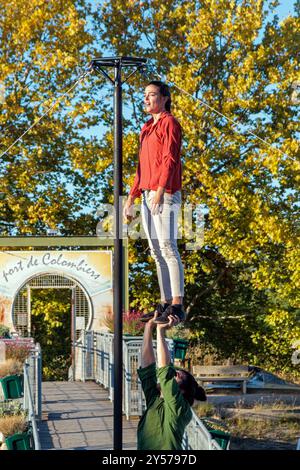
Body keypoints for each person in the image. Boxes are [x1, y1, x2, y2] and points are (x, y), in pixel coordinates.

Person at [123, 81, 185, 324]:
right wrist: (131, 197)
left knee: (169, 247)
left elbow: (170, 159)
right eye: (144, 95)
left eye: (151, 95)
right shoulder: (147, 127)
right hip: (148, 193)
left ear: (164, 98)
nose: (146, 99)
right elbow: (142, 167)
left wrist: (160, 191)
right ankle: (165, 301)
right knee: (156, 251)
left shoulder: (169, 122)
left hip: (165, 191)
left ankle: (178, 304)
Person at [137, 313, 206, 450]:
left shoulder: (179, 408)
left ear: (181, 391)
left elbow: (164, 372)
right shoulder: (156, 400)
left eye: (176, 375)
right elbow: (147, 369)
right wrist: (149, 326)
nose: (170, 373)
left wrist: (161, 331)